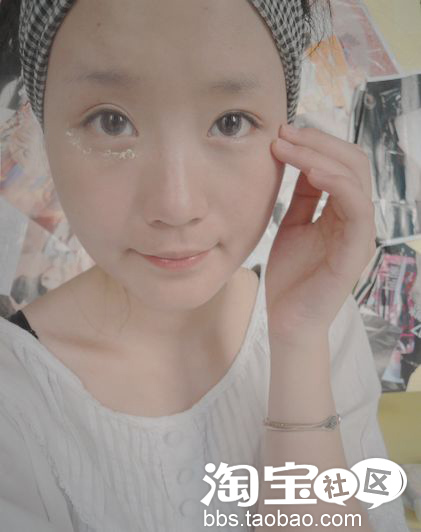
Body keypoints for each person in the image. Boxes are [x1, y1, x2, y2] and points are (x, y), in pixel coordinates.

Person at [0, 0, 410, 531]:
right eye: (111, 122)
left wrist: (298, 348)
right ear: (41, 126)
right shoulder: (13, 393)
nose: (177, 206)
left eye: (230, 122)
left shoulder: (324, 324)